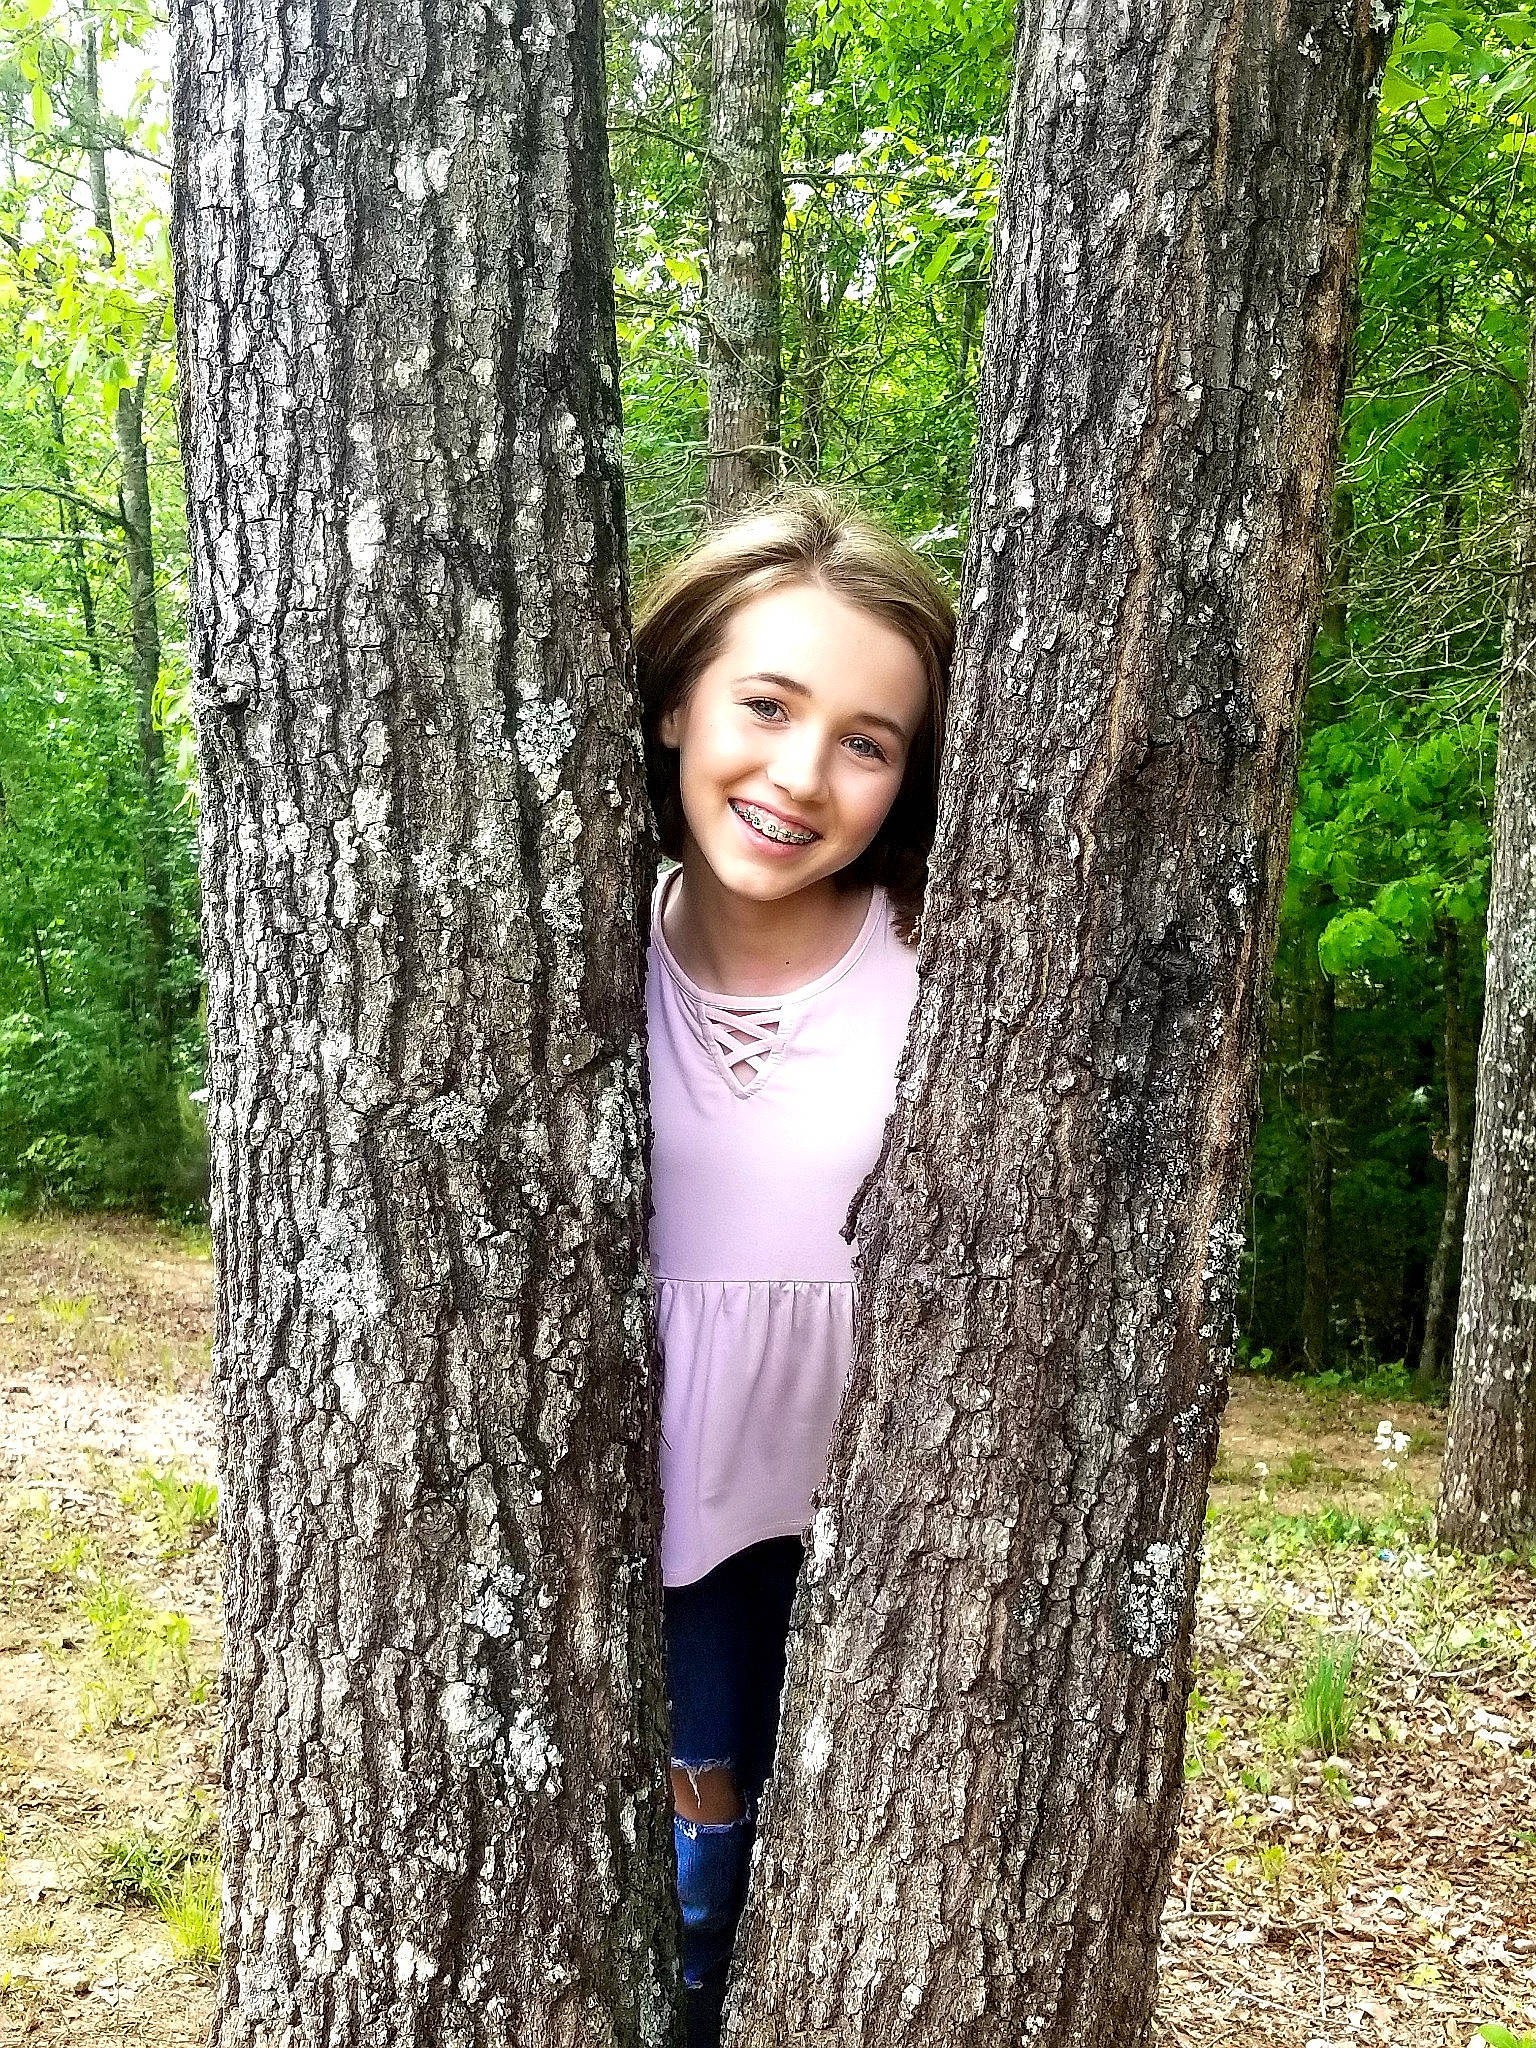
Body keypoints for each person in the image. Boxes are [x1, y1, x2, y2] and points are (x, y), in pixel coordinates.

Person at [635, 489, 955, 2042]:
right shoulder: (564, 935)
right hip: (632, 1523)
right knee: (680, 1908)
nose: (801, 774)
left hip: (858, 1538)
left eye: (867, 739)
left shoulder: (947, 961)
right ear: (680, 693)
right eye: (768, 704)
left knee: (798, 1912)